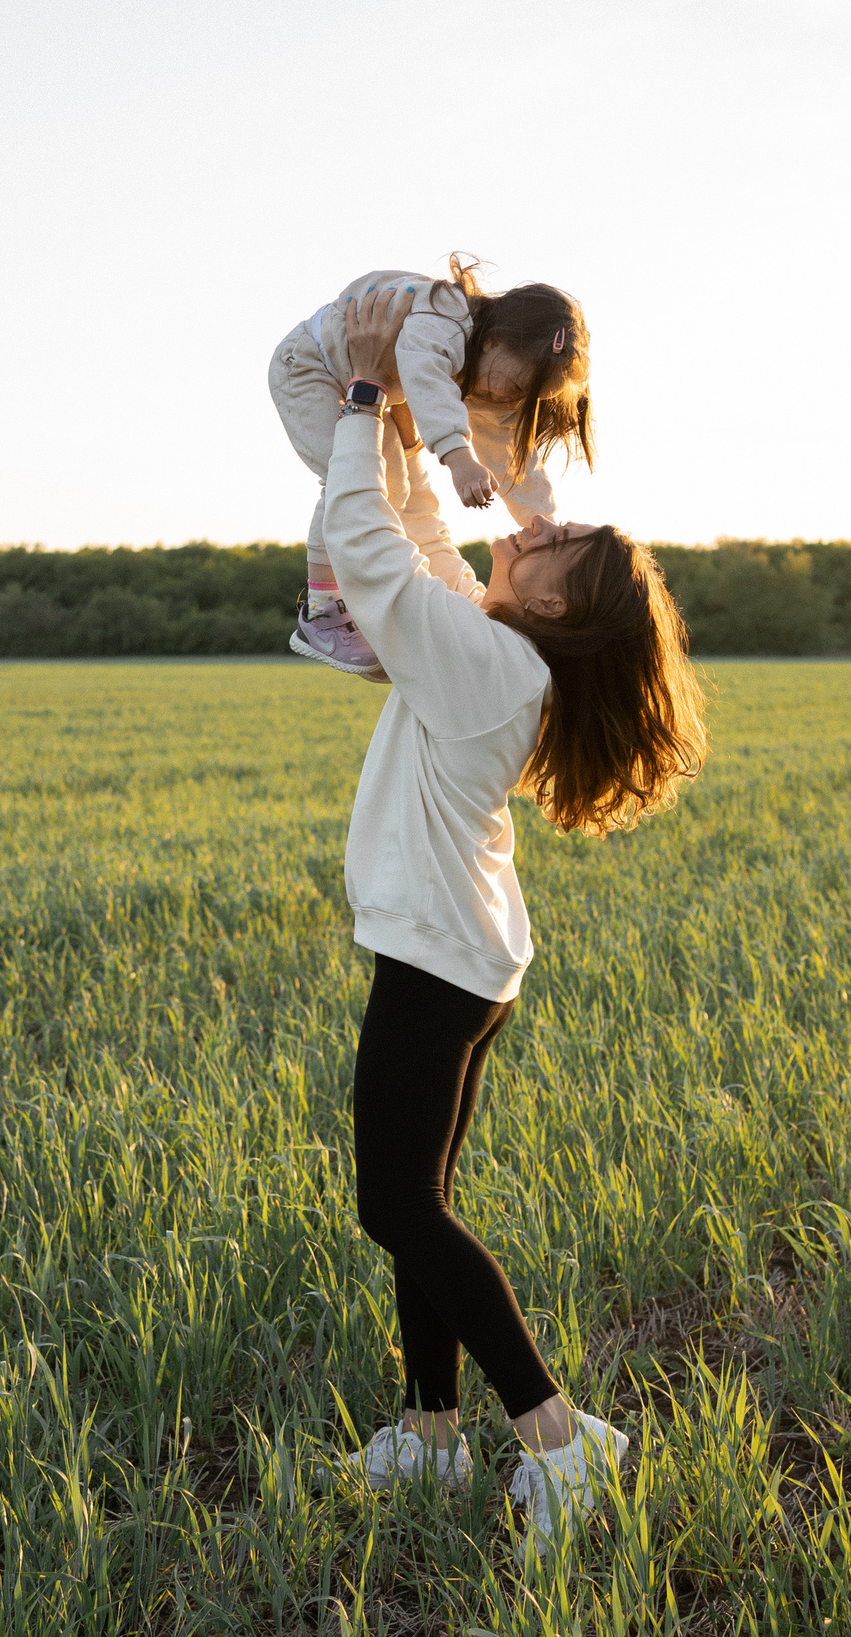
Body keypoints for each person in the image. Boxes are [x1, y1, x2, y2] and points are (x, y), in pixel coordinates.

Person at [315, 290, 706, 1560]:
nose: (539, 525)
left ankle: (557, 1438)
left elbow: (368, 553)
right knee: (418, 1194)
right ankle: (430, 1440)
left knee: (395, 1207)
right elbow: (422, 543)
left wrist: (372, 397)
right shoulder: (500, 651)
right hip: (460, 953)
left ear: (555, 603)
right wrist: (404, 434)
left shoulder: (488, 663)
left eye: (559, 540)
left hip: (439, 960)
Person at [269, 255, 595, 679]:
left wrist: (543, 526)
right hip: (311, 367)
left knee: (392, 492)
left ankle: (353, 604)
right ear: (496, 338)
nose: (508, 401)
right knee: (351, 479)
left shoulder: (483, 366)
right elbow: (425, 379)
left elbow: (510, 455)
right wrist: (458, 458)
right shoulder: (445, 314)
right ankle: (323, 608)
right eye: (514, 387)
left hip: (371, 391)